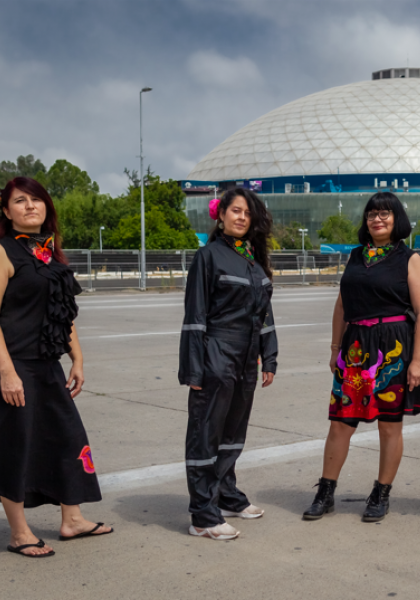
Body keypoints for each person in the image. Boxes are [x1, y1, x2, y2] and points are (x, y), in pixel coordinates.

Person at [0, 177, 110, 558]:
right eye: (20, 201)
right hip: (15, 366)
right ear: (6, 210)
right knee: (17, 446)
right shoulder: (2, 252)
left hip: (48, 366)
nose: (30, 206)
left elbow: (64, 312)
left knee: (67, 437)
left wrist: (76, 356)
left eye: (37, 200)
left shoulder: (49, 254)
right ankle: (19, 532)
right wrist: (6, 372)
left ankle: (72, 519)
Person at [302, 192, 420, 523]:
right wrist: (334, 349)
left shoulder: (409, 259)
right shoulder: (356, 256)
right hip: (356, 348)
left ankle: (380, 494)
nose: (377, 219)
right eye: (372, 214)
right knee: (340, 423)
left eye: (385, 214)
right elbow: (342, 305)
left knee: (389, 425)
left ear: (396, 219)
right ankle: (326, 492)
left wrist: (418, 360)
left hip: (394, 348)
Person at [179, 188, 278, 541]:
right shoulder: (209, 256)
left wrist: (270, 355)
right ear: (220, 216)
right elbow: (195, 316)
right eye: (235, 211)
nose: (241, 218)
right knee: (207, 433)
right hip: (216, 354)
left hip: (246, 357)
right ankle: (203, 515)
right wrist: (193, 369)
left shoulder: (252, 259)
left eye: (247, 213)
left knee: (233, 432)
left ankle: (226, 495)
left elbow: (263, 313)